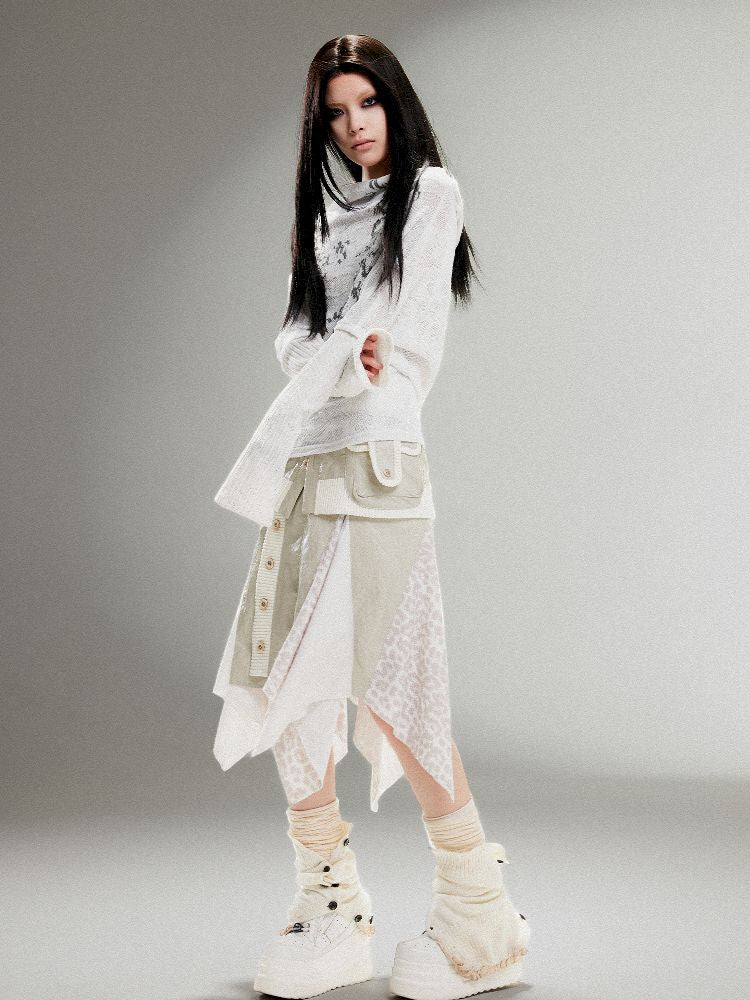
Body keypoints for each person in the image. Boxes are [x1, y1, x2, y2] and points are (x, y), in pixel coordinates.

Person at [211, 33, 530, 1000]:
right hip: (308, 466)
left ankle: (479, 909)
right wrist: (342, 352)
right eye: (337, 113)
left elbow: (400, 320)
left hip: (379, 467)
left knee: (396, 683)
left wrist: (354, 351)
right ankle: (331, 899)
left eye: (369, 103)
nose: (355, 126)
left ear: (397, 101)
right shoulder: (325, 217)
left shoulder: (431, 194)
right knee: (282, 681)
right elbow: (297, 334)